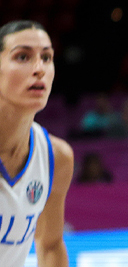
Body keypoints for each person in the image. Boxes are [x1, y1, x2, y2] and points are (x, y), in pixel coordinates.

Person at [0, 20, 74, 267]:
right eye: (22, 57)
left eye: (47, 57)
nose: (39, 68)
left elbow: (50, 244)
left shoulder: (56, 156)